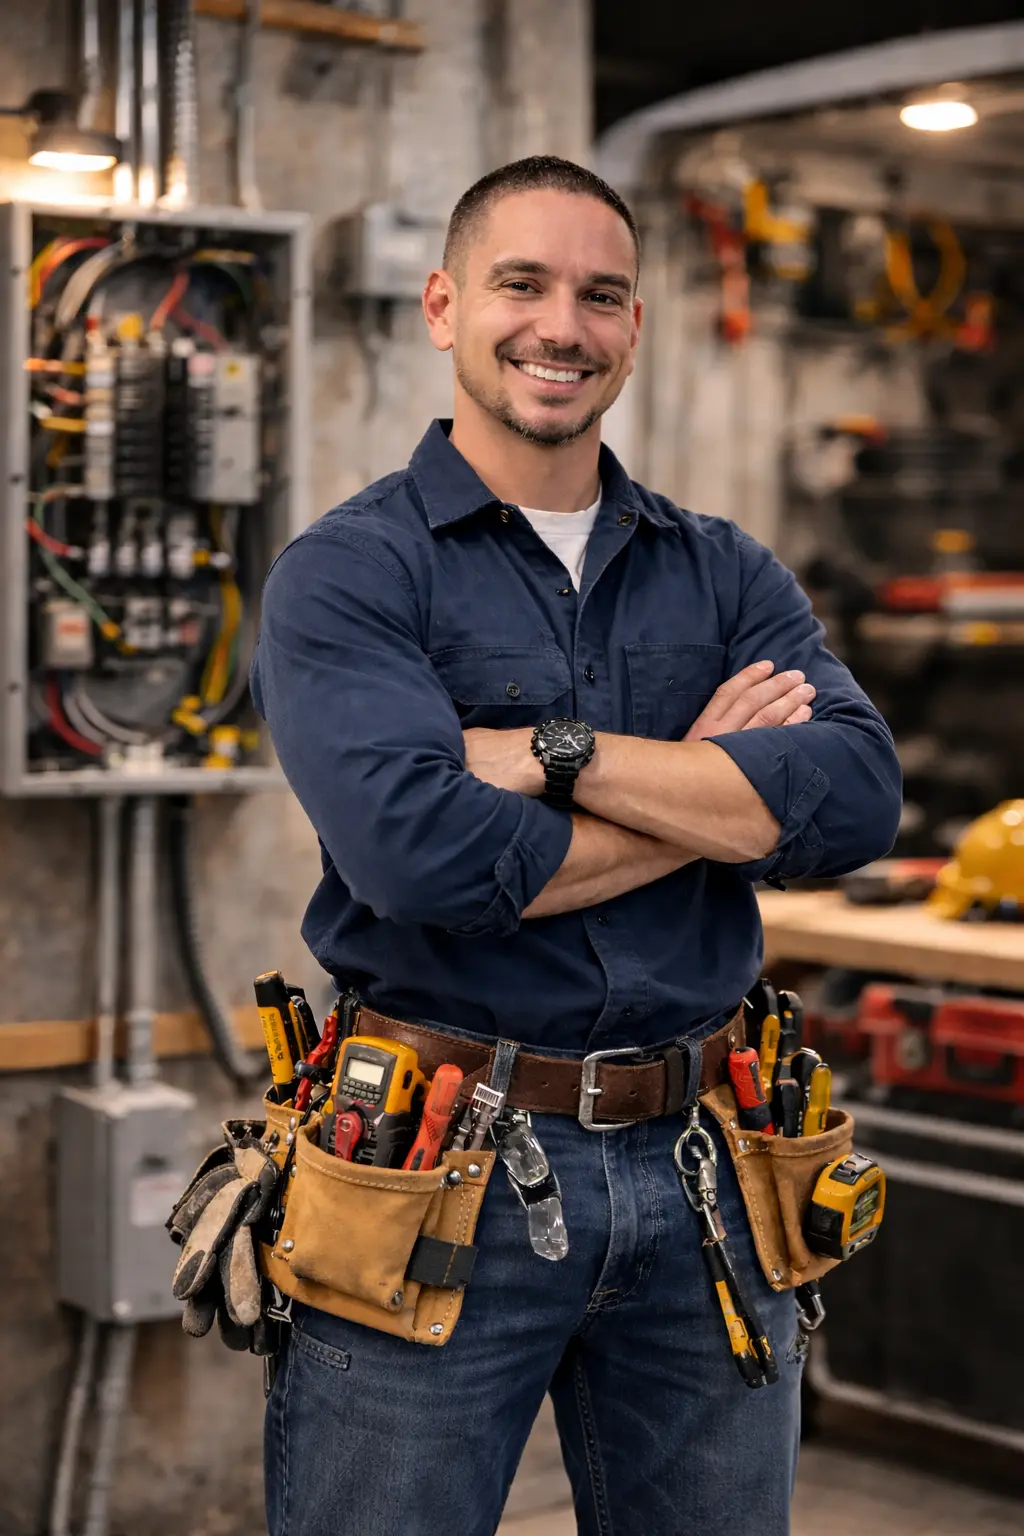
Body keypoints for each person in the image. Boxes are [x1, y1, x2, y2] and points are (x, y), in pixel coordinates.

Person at [251, 155, 901, 1536]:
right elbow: (423, 860)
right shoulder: (352, 574)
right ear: (443, 307)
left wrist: (556, 757)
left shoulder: (724, 570)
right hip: (432, 1163)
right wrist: (719, 796)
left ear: (635, 325)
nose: (563, 325)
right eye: (522, 285)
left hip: (707, 1162)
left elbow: (848, 802)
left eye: (600, 294)